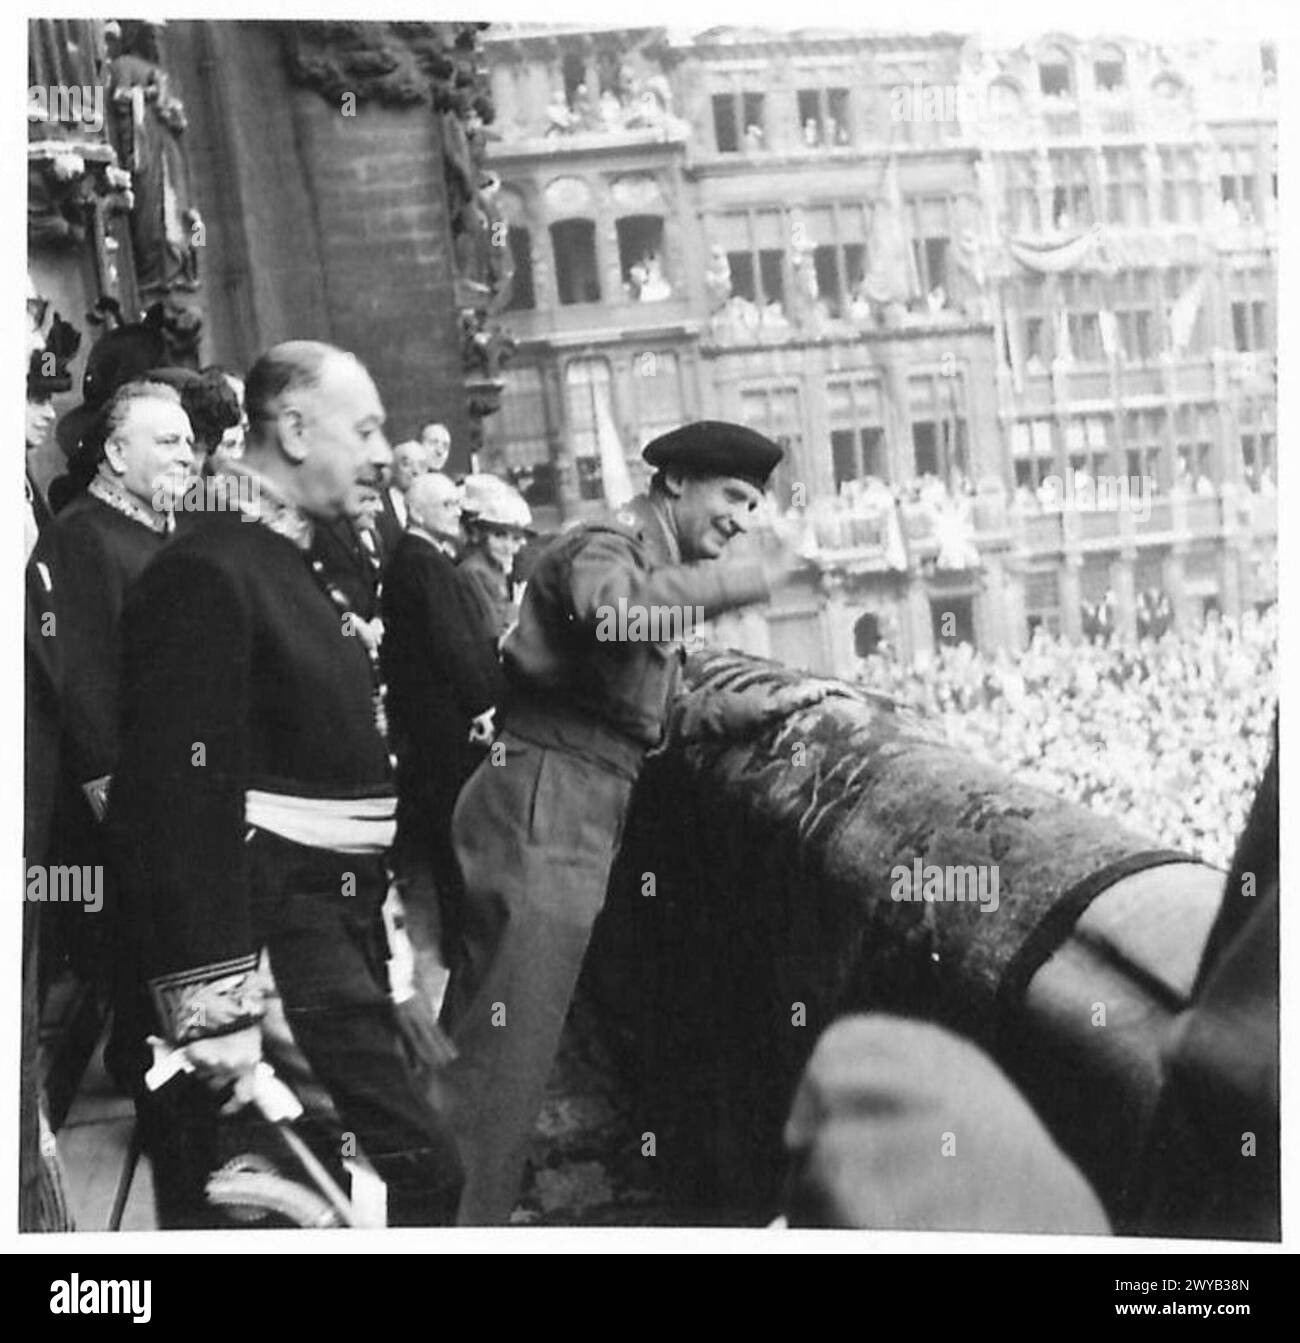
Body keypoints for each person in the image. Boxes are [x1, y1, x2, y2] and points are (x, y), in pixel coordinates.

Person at [442, 419, 835, 1224]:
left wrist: (751, 705)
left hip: (566, 803)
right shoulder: (606, 543)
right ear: (675, 483)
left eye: (755, 506)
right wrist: (746, 579)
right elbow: (614, 619)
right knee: (497, 1072)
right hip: (547, 802)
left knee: (493, 1053)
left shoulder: (648, 560)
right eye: (733, 498)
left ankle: (443, 1221)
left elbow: (646, 710)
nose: (742, 520)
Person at [107, 340, 463, 1227]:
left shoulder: (298, 559)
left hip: (327, 924)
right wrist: (215, 1006)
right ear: (296, 430)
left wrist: (388, 962)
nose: (386, 453)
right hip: (275, 938)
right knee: (384, 1179)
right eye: (368, 428)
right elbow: (175, 797)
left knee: (391, 1179)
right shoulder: (207, 568)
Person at [381, 472, 503, 1008]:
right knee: (456, 837)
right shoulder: (423, 561)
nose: (458, 510)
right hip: (445, 731)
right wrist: (483, 706)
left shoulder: (416, 557)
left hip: (431, 729)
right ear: (419, 510)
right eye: (447, 502)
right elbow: (452, 644)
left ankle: (463, 944)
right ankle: (466, 948)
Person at [458, 473, 534, 643]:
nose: (508, 546)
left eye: (515, 540)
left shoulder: (499, 566)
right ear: (482, 535)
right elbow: (493, 627)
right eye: (499, 536)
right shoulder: (474, 571)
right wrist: (516, 607)